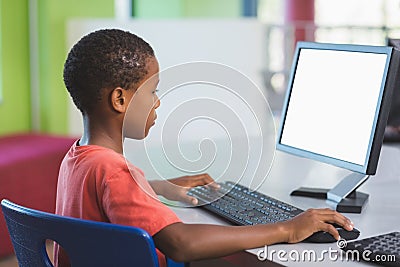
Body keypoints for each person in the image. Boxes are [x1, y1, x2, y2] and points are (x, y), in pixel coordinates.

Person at [56, 29, 354, 267]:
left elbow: (102, 198)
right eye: (152, 91)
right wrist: (287, 228)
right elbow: (181, 243)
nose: (157, 102)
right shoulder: (115, 170)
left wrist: (153, 186)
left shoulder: (77, 157)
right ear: (120, 100)